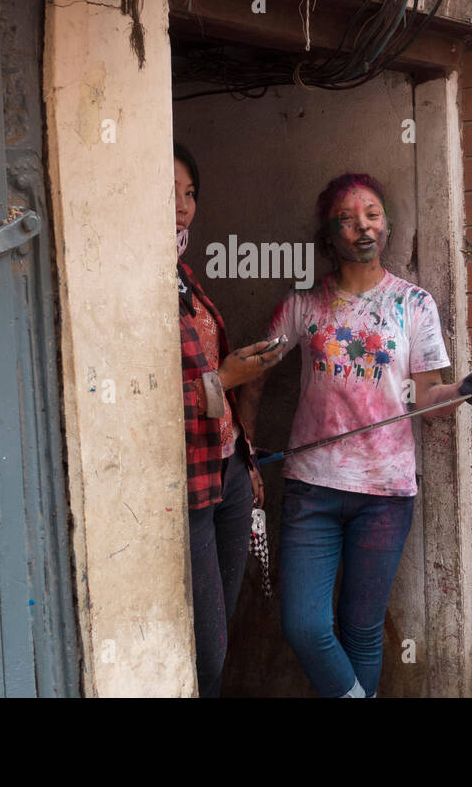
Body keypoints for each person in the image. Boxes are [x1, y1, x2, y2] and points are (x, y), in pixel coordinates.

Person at [237, 172, 472, 698]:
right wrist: (245, 449)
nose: (362, 226)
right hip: (312, 489)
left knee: (362, 631)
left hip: (384, 495)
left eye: (372, 215)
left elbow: (427, 403)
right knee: (305, 626)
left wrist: (462, 390)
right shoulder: (302, 307)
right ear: (329, 236)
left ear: (385, 226)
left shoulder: (415, 305)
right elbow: (254, 375)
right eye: (346, 218)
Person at [174, 142, 283, 698]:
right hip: (187, 491)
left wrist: (249, 462)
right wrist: (228, 377)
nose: (181, 207)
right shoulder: (131, 285)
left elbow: (211, 381)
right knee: (206, 649)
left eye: (188, 194)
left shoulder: (186, 281)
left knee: (223, 632)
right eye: (167, 193)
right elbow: (141, 404)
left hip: (230, 474)